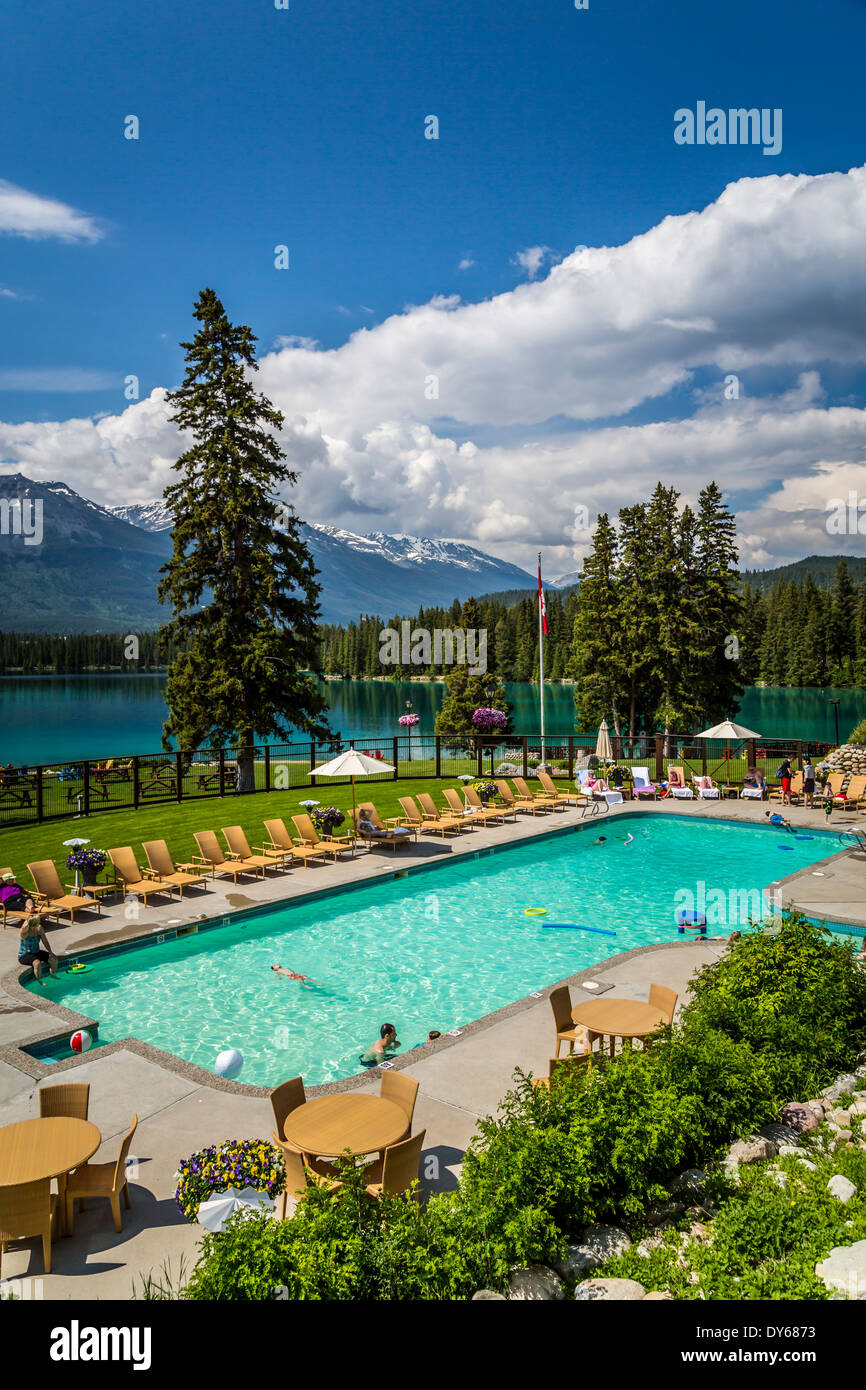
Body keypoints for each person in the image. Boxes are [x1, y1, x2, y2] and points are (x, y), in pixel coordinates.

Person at [18, 913, 56, 981]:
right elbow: (23, 931)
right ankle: (40, 981)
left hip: (36, 952)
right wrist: (27, 924)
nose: (39, 922)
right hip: (25, 955)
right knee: (37, 963)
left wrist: (50, 952)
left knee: (53, 959)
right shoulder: (24, 931)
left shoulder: (39, 928)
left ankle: (53, 976)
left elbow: (45, 941)